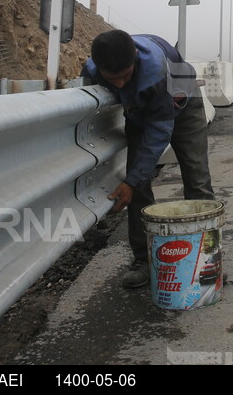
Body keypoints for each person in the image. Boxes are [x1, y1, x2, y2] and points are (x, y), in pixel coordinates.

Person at [81, 30, 215, 288]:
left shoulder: (154, 72)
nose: (119, 85)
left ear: (135, 59)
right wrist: (134, 181)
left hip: (181, 104)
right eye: (113, 79)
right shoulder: (92, 68)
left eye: (126, 76)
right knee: (137, 187)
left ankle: (208, 259)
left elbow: (159, 132)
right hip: (141, 111)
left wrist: (131, 181)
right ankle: (145, 260)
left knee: (197, 179)